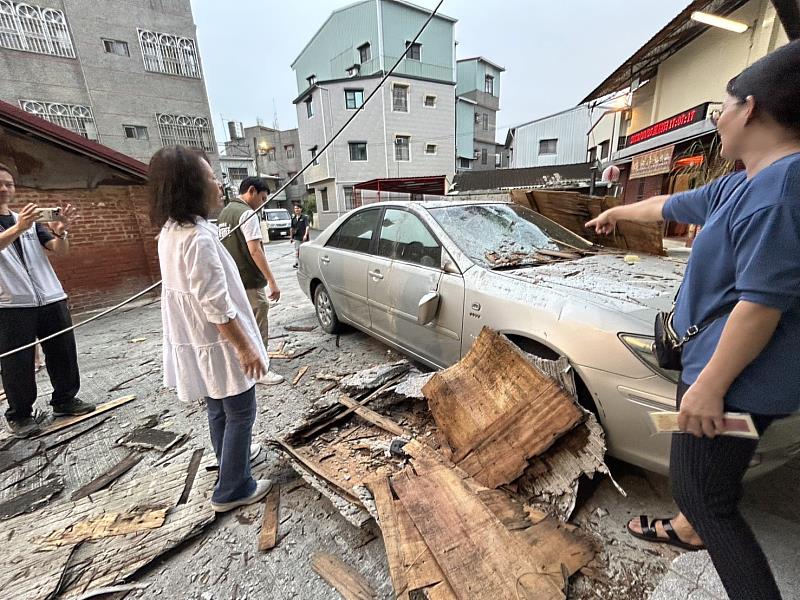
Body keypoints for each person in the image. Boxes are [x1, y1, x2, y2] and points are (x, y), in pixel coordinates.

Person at [587, 40, 800, 600]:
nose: (717, 120)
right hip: (728, 376)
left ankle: (699, 528)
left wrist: (708, 389)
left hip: (735, 384)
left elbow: (761, 305)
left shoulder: (781, 191)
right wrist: (615, 210)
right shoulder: (744, 181)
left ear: (749, 109)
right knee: (714, 475)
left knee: (707, 498)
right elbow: (669, 208)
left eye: (719, 109)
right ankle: (686, 530)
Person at [148, 146, 272, 512]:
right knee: (241, 411)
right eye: (210, 177)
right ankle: (233, 487)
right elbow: (216, 305)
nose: (218, 183)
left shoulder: (171, 231)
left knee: (218, 407)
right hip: (219, 341)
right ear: (189, 186)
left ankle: (230, 460)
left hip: (200, 339)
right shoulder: (197, 238)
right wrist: (246, 348)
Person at [0, 163, 95, 438]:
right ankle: (20, 415)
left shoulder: (29, 222)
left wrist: (61, 231)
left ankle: (65, 400)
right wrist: (18, 227)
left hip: (50, 296)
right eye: (0, 183)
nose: (5, 188)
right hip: (12, 304)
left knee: (63, 351)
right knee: (17, 361)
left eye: (9, 183)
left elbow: (59, 250)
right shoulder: (22, 223)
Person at [217, 177, 284, 386]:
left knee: (242, 323)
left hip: (232, 281)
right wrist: (272, 281)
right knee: (258, 320)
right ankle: (261, 369)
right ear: (252, 191)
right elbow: (255, 249)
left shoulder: (224, 214)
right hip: (249, 280)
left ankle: (245, 365)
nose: (262, 203)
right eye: (262, 198)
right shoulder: (247, 213)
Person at [290, 203, 310, 268]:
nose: (296, 209)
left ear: (301, 209)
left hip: (304, 237)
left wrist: (305, 235)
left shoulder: (304, 217)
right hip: (297, 237)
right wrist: (291, 237)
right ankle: (297, 263)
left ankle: (306, 263)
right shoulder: (293, 219)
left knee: (305, 251)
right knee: (297, 250)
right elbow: (292, 229)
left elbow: (307, 226)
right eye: (295, 208)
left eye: (298, 208)